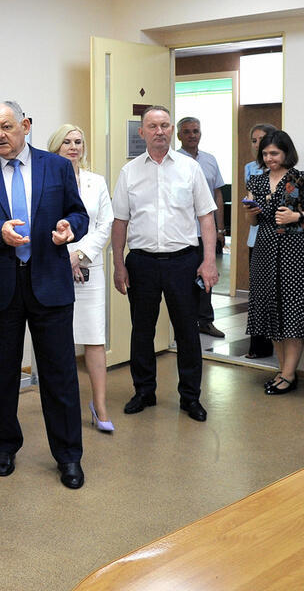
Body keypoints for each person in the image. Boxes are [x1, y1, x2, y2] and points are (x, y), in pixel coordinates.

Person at [0, 101, 89, 489]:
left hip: (49, 283)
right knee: (1, 373)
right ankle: (6, 445)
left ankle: (68, 456)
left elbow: (79, 214)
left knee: (60, 375)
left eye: (6, 127)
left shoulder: (57, 167)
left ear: (25, 125)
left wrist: (69, 228)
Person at [110, 106, 218, 422]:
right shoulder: (129, 172)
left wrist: (209, 261)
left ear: (171, 130)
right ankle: (144, 391)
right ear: (141, 132)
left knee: (187, 332)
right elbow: (119, 222)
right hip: (141, 263)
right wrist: (118, 265)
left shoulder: (190, 169)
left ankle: (190, 397)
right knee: (142, 331)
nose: (159, 131)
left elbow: (206, 217)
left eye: (165, 125)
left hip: (183, 262)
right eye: (153, 126)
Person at [242, 129, 304, 395]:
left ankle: (289, 375)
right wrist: (250, 212)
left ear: (286, 153)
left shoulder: (302, 180)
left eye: (274, 153)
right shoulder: (256, 181)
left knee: (292, 313)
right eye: (265, 154)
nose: (269, 158)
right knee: (271, 314)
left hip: (294, 253)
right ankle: (283, 372)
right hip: (264, 251)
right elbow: (252, 222)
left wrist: (296, 216)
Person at [47, 123, 115, 433]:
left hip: (90, 271)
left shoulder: (95, 182)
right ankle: (65, 408)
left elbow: (105, 224)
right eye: (67, 142)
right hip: (55, 269)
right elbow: (44, 224)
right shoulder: (45, 181)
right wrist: (66, 258)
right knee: (59, 342)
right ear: (56, 147)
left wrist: (80, 255)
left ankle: (100, 406)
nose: (73, 147)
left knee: (95, 339)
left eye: (78, 142)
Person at [176, 116, 227, 339]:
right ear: (179, 135)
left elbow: (217, 195)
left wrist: (220, 229)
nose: (192, 135)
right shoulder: (174, 160)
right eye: (187, 131)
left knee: (207, 277)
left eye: (195, 131)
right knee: (184, 280)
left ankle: (205, 321)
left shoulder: (210, 160)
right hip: (183, 233)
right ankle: (184, 325)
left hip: (206, 232)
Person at [242, 123, 277, 359]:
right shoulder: (250, 168)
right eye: (254, 141)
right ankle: (258, 347)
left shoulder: (287, 173)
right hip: (256, 236)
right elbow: (252, 202)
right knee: (258, 295)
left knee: (276, 296)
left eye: (262, 139)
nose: (258, 145)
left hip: (278, 238)